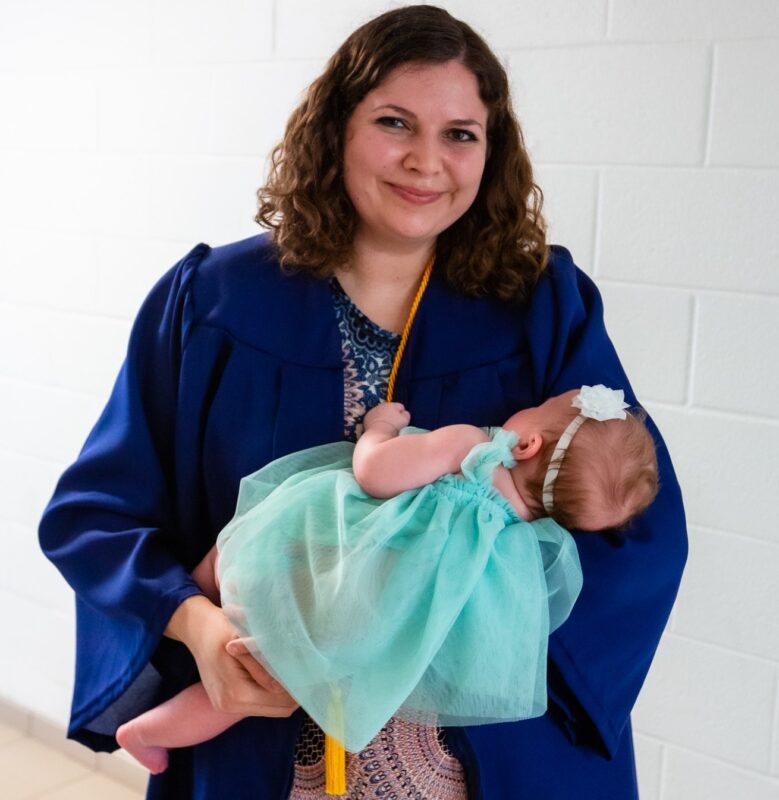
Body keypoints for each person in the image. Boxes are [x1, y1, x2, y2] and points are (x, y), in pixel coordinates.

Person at [39, 5, 687, 799]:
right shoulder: (214, 302)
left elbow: (633, 519)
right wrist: (199, 626)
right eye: (393, 122)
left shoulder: (542, 304)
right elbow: (97, 518)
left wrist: (447, 631)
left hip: (485, 768)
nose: (425, 161)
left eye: (459, 133)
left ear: (490, 153)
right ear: (336, 128)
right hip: (267, 753)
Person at [114, 385, 657, 775]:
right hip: (368, 633)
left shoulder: (471, 448)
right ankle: (151, 732)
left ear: (528, 444)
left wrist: (379, 429)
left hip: (329, 565)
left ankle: (192, 600)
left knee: (242, 546)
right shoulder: (521, 539)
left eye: (538, 406)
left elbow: (374, 475)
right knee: (265, 683)